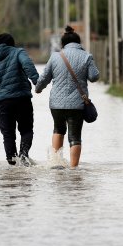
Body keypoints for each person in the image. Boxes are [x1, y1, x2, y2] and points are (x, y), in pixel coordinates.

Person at [35, 26, 100, 168]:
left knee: (58, 129)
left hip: (56, 104)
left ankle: (56, 163)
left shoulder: (55, 56)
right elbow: (94, 76)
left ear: (62, 44)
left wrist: (38, 89)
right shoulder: (86, 56)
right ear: (79, 42)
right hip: (77, 104)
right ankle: (73, 169)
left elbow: (44, 77)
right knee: (75, 136)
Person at [0, 33, 39, 166]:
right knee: (26, 130)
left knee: (8, 134)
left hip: (4, 102)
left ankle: (11, 161)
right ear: (12, 43)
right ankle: (23, 155)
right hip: (22, 98)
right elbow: (27, 63)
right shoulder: (18, 52)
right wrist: (36, 81)